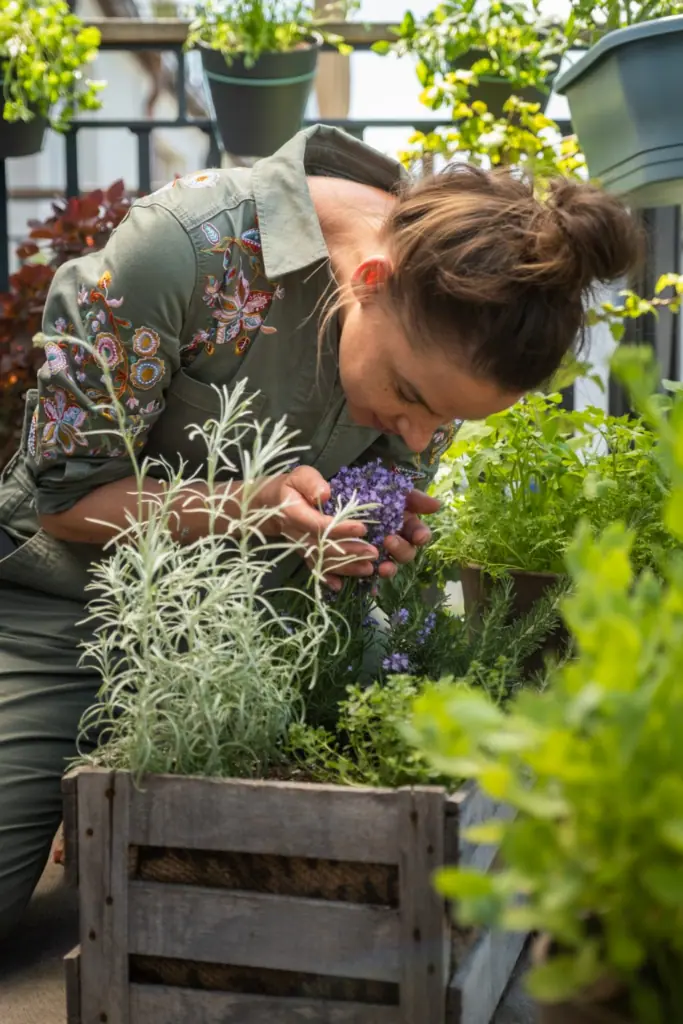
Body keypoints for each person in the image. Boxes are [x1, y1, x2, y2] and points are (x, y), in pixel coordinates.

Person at [0, 124, 640, 939]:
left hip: (257, 636)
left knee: (303, 895)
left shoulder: (439, 327)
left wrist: (368, 537)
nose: (417, 438)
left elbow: (384, 478)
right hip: (67, 607)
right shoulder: (181, 252)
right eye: (408, 395)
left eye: (445, 420)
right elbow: (64, 502)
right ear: (369, 280)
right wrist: (246, 507)